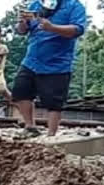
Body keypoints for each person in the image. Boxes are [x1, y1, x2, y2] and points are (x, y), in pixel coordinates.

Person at [13, 0, 88, 136]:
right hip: (32, 59)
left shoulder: (74, 6)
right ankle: (30, 127)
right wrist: (22, 23)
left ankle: (51, 135)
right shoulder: (35, 4)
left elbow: (77, 30)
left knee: (54, 102)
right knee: (20, 92)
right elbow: (22, 31)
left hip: (57, 63)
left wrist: (52, 27)